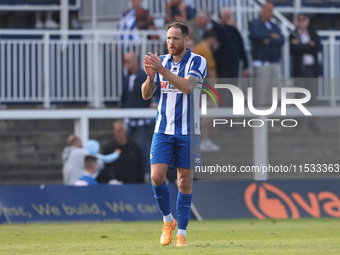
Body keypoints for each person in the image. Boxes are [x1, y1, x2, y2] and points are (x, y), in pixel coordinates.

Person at [142, 22, 207, 247]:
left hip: (190, 131)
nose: (171, 42)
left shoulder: (198, 61)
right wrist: (150, 78)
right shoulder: (162, 62)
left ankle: (182, 233)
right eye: (169, 38)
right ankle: (167, 221)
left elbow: (187, 87)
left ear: (186, 40)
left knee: (184, 182)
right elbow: (146, 95)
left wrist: (160, 71)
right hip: (163, 129)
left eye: (176, 38)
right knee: (156, 177)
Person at [121, 52, 153, 178]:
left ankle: (147, 171)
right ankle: (126, 170)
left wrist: (154, 101)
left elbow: (153, 89)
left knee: (142, 144)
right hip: (128, 116)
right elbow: (124, 96)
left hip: (141, 116)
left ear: (135, 61)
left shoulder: (144, 75)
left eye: (128, 61)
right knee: (125, 143)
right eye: (125, 61)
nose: (126, 64)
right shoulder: (126, 77)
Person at [290, 13, 321, 131]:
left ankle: (311, 123)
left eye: (303, 20)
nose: (301, 22)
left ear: (307, 21)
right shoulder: (293, 34)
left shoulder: (313, 33)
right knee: (298, 98)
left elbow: (318, 47)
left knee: (312, 98)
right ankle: (297, 123)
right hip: (300, 70)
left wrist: (302, 46)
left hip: (311, 70)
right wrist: (309, 46)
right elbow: (294, 49)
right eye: (299, 20)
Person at [249, 2, 284, 106]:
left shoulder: (274, 25)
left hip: (274, 61)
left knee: (272, 94)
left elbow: (281, 40)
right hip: (262, 62)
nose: (270, 13)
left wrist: (268, 39)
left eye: (271, 10)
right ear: (263, 10)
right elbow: (256, 35)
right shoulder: (255, 23)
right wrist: (272, 36)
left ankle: (269, 119)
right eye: (268, 10)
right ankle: (259, 119)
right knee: (261, 92)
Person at [193, 30, 220, 151]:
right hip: (204, 86)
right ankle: (203, 140)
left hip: (198, 85)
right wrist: (212, 90)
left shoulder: (198, 48)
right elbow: (210, 71)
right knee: (209, 112)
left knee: (206, 113)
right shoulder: (205, 50)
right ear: (211, 39)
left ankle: (204, 139)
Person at [212, 8, 249, 79]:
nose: (228, 19)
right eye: (226, 16)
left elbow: (241, 47)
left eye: (229, 16)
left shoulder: (234, 31)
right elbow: (221, 41)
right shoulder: (216, 29)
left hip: (234, 66)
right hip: (221, 66)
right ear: (221, 16)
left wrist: (245, 65)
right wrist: (227, 27)